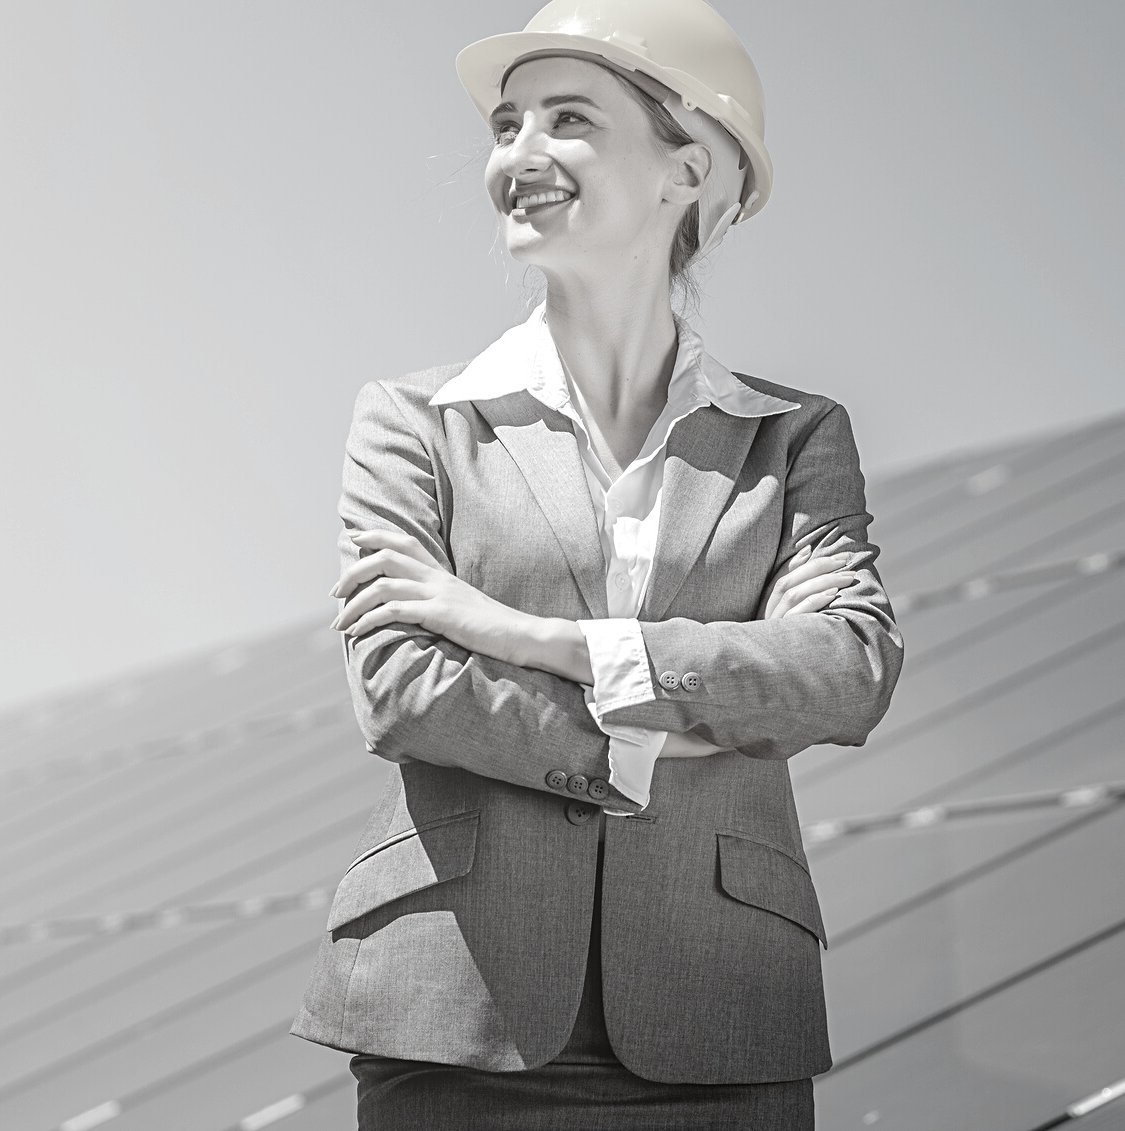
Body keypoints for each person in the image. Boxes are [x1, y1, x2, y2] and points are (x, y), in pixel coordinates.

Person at [288, 1, 904, 1126]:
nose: (519, 155)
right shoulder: (416, 422)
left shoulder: (793, 437)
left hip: (721, 1014)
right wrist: (655, 741)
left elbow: (846, 668)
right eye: (506, 125)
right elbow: (403, 685)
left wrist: (528, 636)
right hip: (455, 1011)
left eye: (568, 120)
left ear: (691, 166)